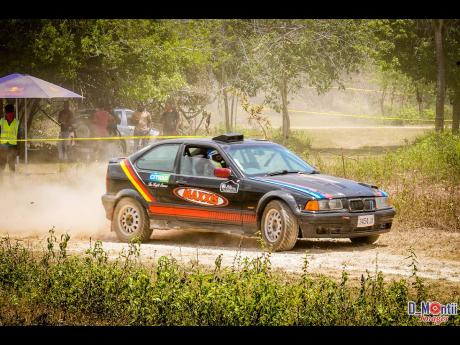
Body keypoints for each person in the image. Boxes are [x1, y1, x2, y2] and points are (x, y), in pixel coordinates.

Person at [0, 104, 22, 175]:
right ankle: (1, 180)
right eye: (8, 113)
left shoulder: (17, 122)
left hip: (13, 145)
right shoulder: (1, 121)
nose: (9, 115)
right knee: (2, 163)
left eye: (11, 113)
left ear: (13, 113)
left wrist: (19, 146)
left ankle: (12, 181)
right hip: (3, 145)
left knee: (11, 164)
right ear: (5, 113)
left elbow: (20, 134)